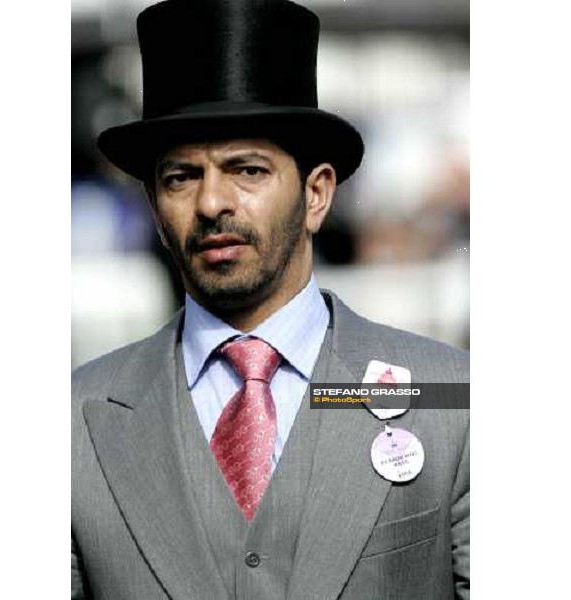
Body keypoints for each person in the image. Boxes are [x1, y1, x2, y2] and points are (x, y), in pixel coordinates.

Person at [71, 1, 469, 599]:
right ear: (154, 208)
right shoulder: (69, 419)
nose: (211, 203)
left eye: (248, 170)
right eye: (180, 177)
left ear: (316, 195)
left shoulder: (451, 399)